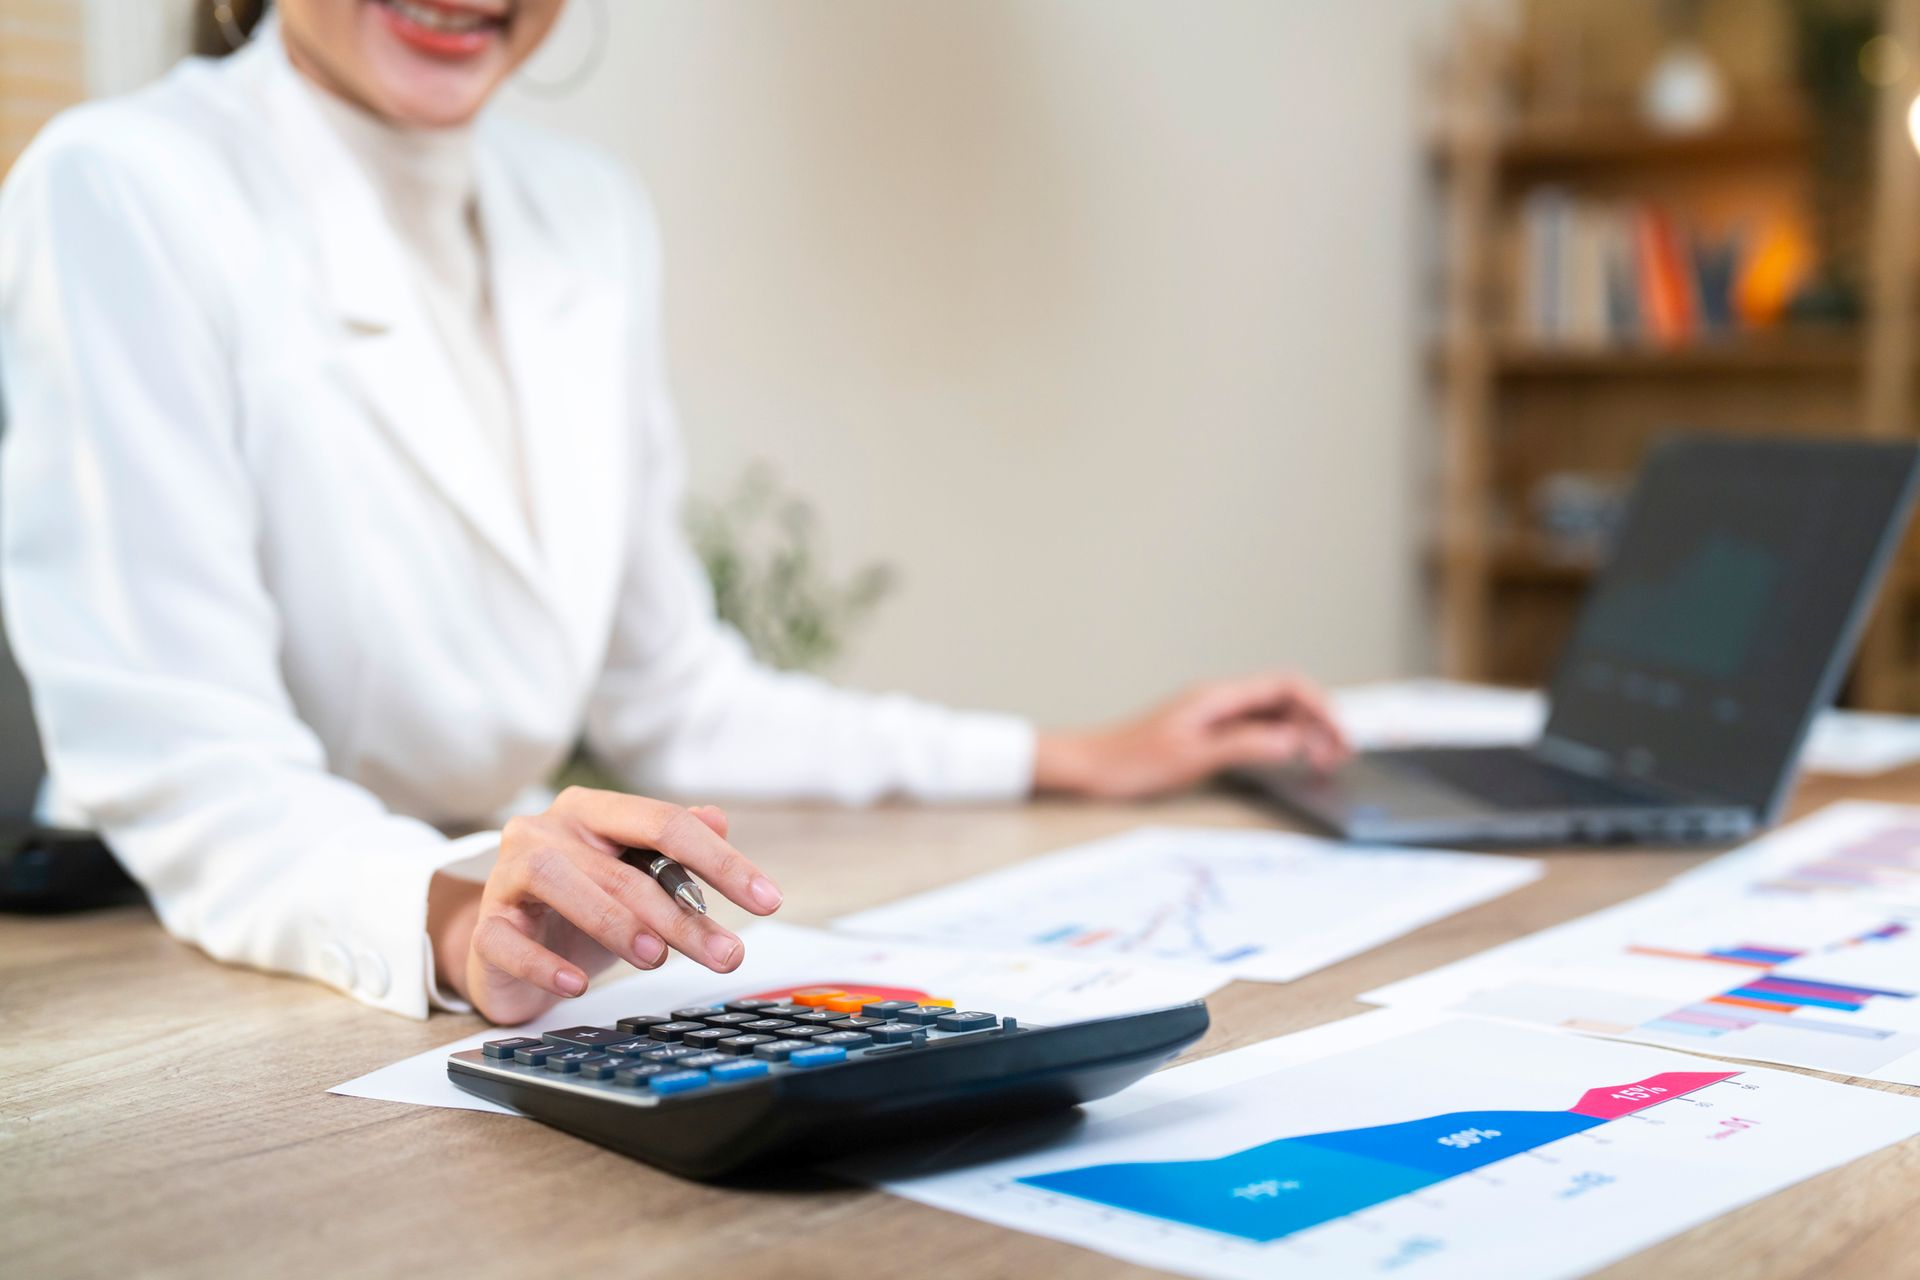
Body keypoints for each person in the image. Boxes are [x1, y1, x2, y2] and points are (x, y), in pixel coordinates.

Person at [0, 0, 1347, 1025]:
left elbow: (678, 700)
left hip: (487, 962)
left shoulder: (587, 216)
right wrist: (455, 918)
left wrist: (1075, 757)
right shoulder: (120, 185)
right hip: (206, 965)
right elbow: (193, 766)